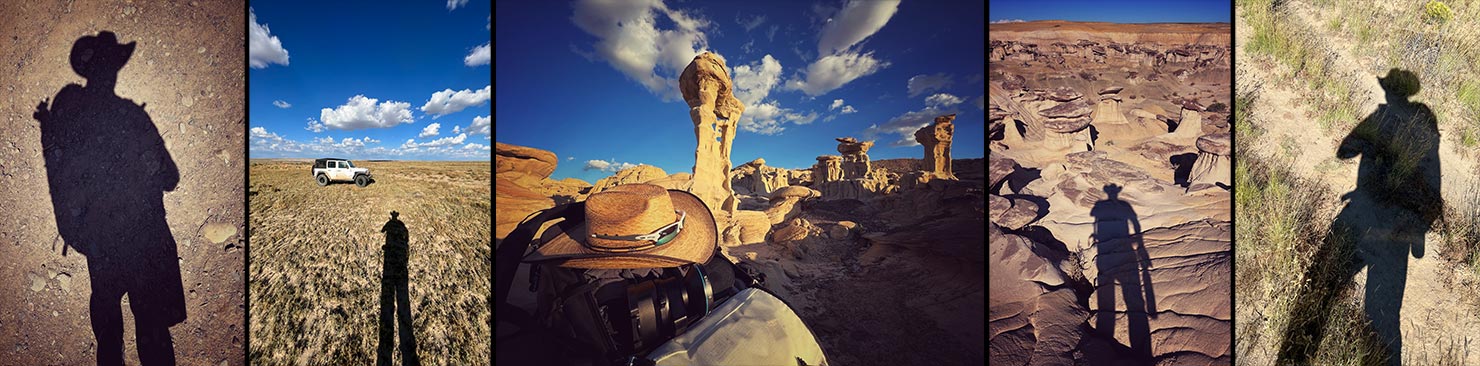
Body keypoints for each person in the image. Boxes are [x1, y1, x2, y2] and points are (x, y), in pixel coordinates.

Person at [36, 30, 185, 366]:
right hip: (140, 231)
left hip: (98, 233)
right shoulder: (133, 116)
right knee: (150, 322)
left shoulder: (71, 115)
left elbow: (62, 168)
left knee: (106, 314)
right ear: (114, 69)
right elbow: (171, 178)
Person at [378, 211, 419, 366]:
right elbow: (406, 240)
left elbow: (383, 230)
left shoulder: (391, 225)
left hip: (391, 260)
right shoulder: (402, 226)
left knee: (389, 306)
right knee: (402, 305)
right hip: (400, 260)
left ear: (392, 217)